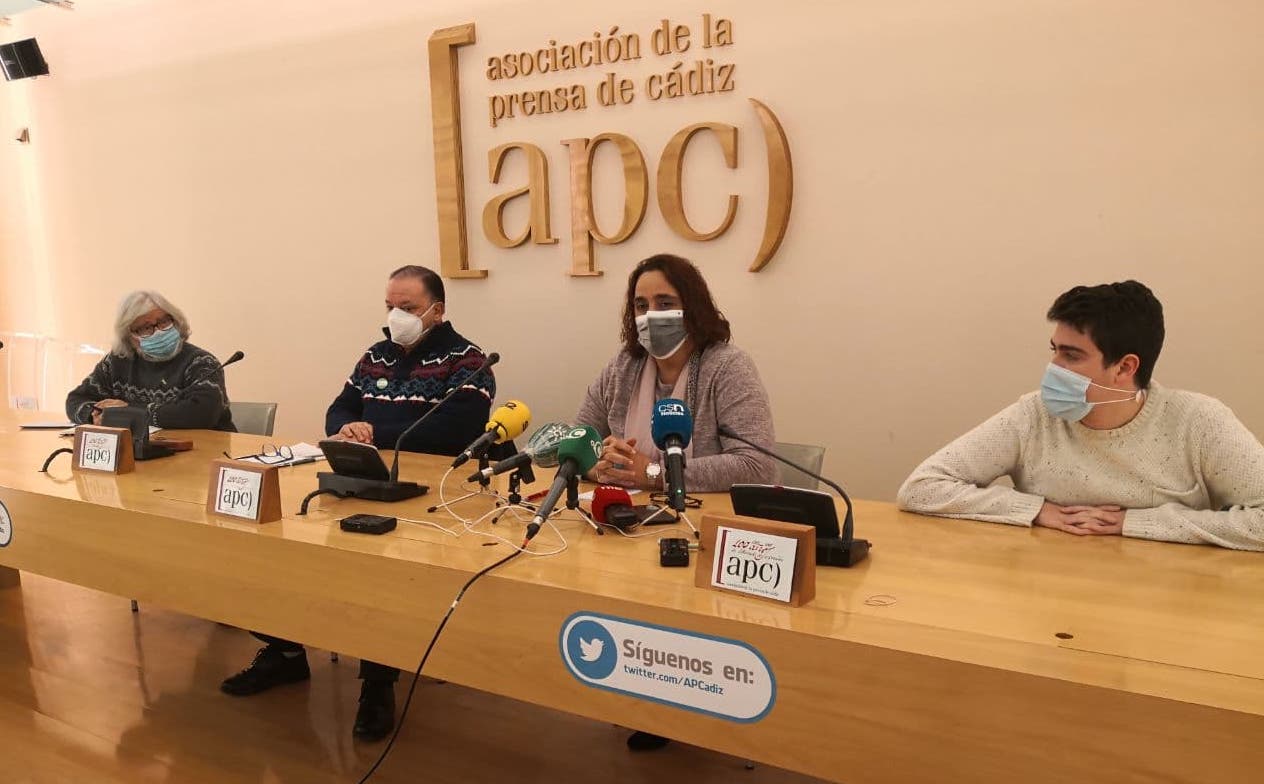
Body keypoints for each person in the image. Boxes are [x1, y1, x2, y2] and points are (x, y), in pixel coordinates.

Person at [220, 265, 496, 742]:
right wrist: (349, 428)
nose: (396, 316)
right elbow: (341, 407)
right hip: (360, 477)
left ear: (438, 310)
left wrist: (374, 432)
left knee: (378, 575)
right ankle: (284, 651)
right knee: (281, 542)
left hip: (428, 495)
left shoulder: (468, 361)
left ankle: (378, 680)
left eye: (408, 308)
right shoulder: (376, 356)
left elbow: (456, 428)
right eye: (390, 306)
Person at [576, 253, 777, 751]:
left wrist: (651, 472)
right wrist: (595, 461)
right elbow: (580, 434)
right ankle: (646, 698)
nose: (651, 315)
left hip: (703, 529)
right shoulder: (623, 366)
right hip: (630, 525)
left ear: (693, 306)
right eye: (641, 304)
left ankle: (690, 704)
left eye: (665, 302)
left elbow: (756, 465)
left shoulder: (727, 366)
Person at [897, 280, 1264, 551]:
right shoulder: (1034, 414)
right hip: (1055, 598)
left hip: (1165, 608)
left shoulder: (1199, 421)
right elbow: (921, 488)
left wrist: (1135, 523)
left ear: (1124, 368)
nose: (1052, 368)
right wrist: (1036, 509)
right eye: (1054, 350)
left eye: (1071, 356)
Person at [66, 290, 235, 431]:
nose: (159, 331)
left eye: (164, 321)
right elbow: (75, 400)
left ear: (176, 321)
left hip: (205, 454)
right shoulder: (118, 362)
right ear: (129, 337)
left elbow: (200, 414)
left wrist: (127, 412)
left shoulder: (201, 362)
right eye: (146, 328)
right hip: (143, 455)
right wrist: (94, 415)